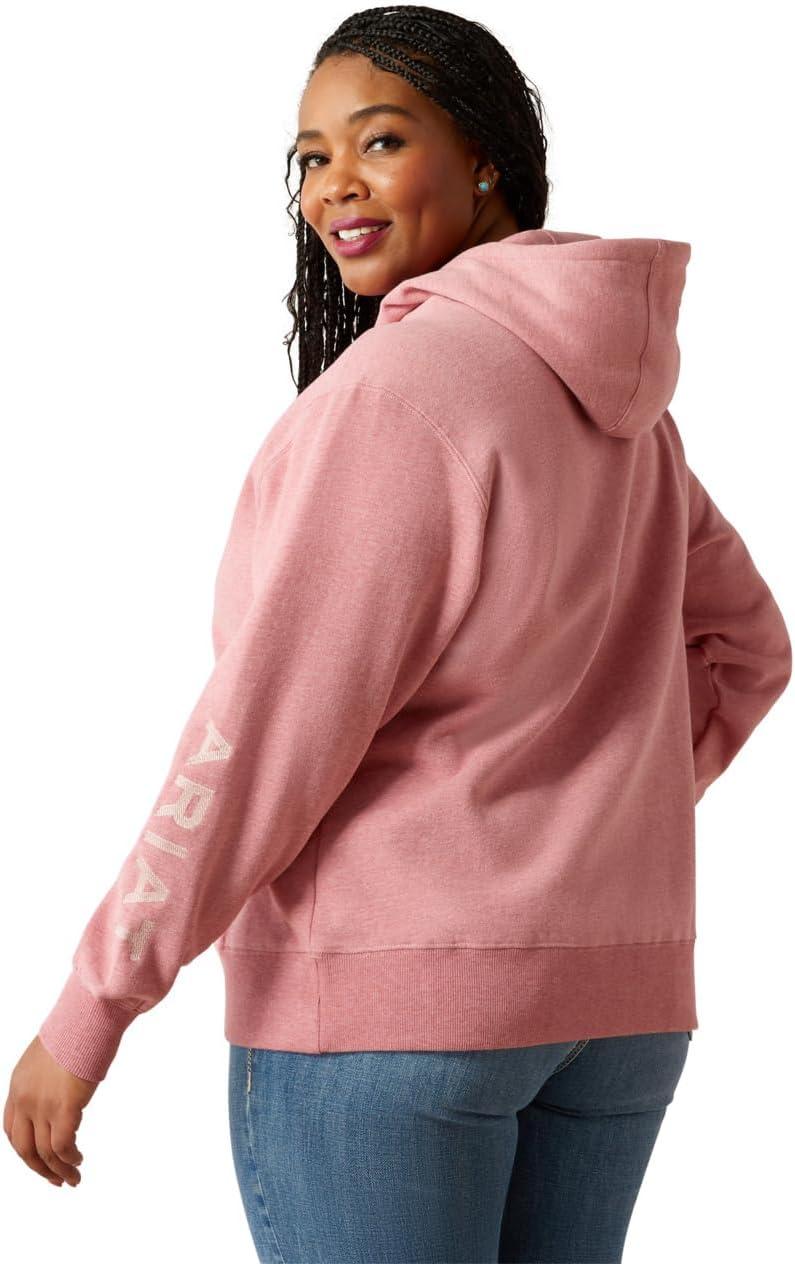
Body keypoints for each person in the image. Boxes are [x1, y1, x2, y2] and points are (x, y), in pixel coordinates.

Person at [5, 5, 791, 1261]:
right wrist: (575, 819)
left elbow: (263, 737)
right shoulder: (627, 412)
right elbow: (752, 648)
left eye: (379, 140)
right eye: (311, 157)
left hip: (393, 1023)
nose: (334, 186)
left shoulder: (399, 396)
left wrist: (92, 1006)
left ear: (484, 157)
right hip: (619, 1011)